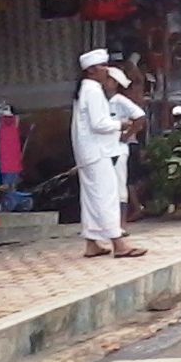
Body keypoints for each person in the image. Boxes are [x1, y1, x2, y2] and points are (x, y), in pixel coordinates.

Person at [71, 48, 147, 259]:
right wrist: (120, 124)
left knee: (91, 197)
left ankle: (92, 243)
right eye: (103, 67)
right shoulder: (93, 91)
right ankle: (119, 244)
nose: (107, 70)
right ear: (92, 70)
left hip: (89, 152)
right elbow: (99, 124)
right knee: (106, 196)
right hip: (98, 152)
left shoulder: (85, 90)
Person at [103, 65, 147, 234]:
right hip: (107, 149)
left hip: (120, 148)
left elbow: (140, 117)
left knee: (121, 186)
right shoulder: (102, 102)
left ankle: (121, 225)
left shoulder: (120, 101)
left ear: (114, 83)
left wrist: (127, 135)